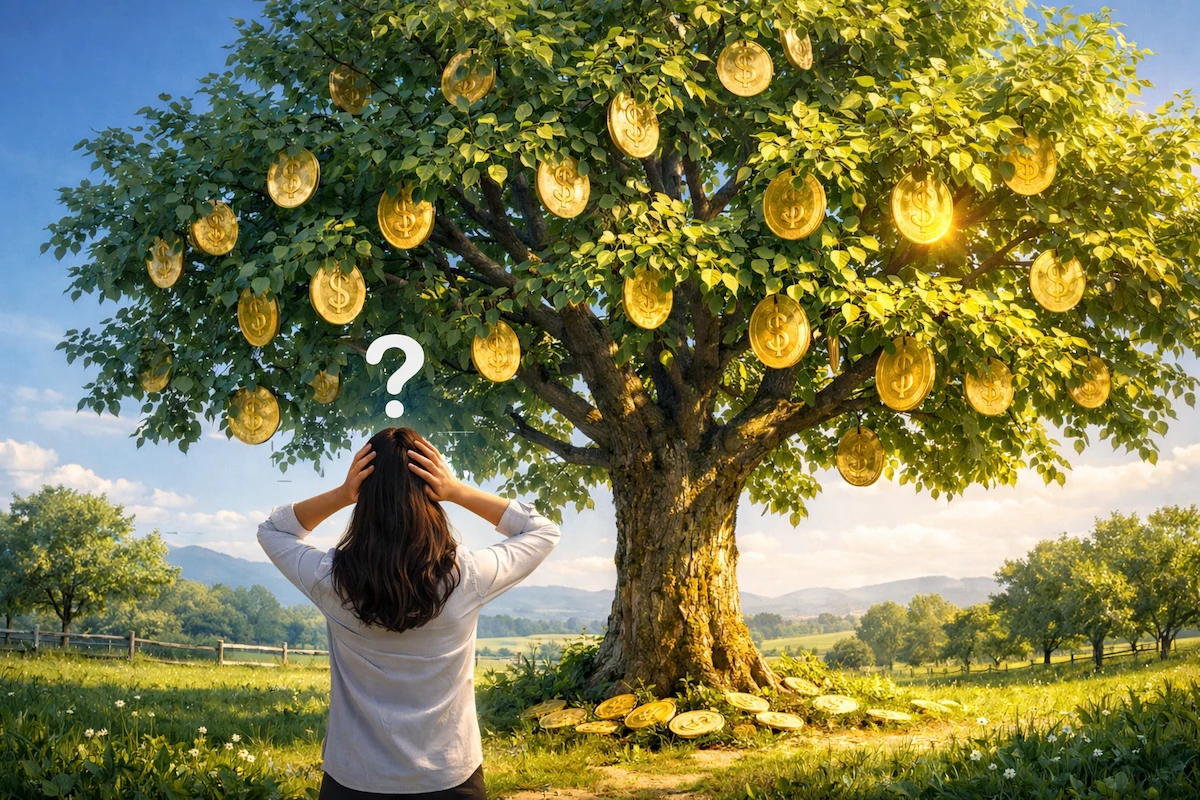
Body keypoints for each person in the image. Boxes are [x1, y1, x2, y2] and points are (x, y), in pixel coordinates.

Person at [256, 427, 561, 798]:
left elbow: (273, 531)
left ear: (364, 497)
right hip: (451, 779)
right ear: (430, 496)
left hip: (354, 780)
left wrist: (342, 494)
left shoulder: (331, 579)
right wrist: (457, 491)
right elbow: (543, 531)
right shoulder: (468, 578)